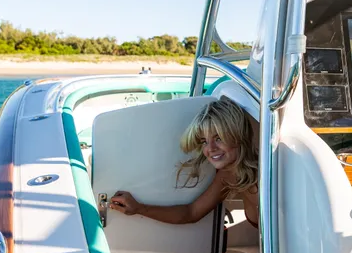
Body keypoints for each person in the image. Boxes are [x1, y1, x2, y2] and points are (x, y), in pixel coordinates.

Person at [109, 96, 259, 227]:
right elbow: (191, 212)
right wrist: (138, 208)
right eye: (204, 141)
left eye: (218, 138)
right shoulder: (229, 174)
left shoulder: (270, 174)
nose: (210, 148)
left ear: (238, 136)